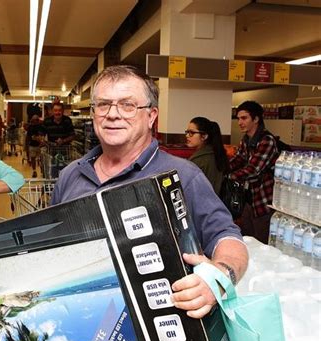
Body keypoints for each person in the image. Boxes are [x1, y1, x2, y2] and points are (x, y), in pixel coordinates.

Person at [51, 65, 248, 319]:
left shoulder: (183, 176)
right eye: (103, 105)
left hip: (159, 325)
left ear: (152, 116)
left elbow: (227, 237)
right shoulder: (70, 176)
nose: (113, 114)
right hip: (82, 319)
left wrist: (219, 277)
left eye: (127, 105)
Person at [229, 101, 279, 244]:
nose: (240, 122)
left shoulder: (266, 140)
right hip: (249, 200)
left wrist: (230, 176)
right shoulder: (246, 140)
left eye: (244, 118)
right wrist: (222, 167)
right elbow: (237, 160)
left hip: (264, 201)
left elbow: (253, 170)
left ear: (256, 119)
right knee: (247, 239)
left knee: (261, 242)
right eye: (238, 118)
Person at [186, 117, 228, 195]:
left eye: (191, 132)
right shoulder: (215, 153)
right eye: (187, 132)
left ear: (204, 136)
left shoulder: (201, 159)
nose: (187, 136)